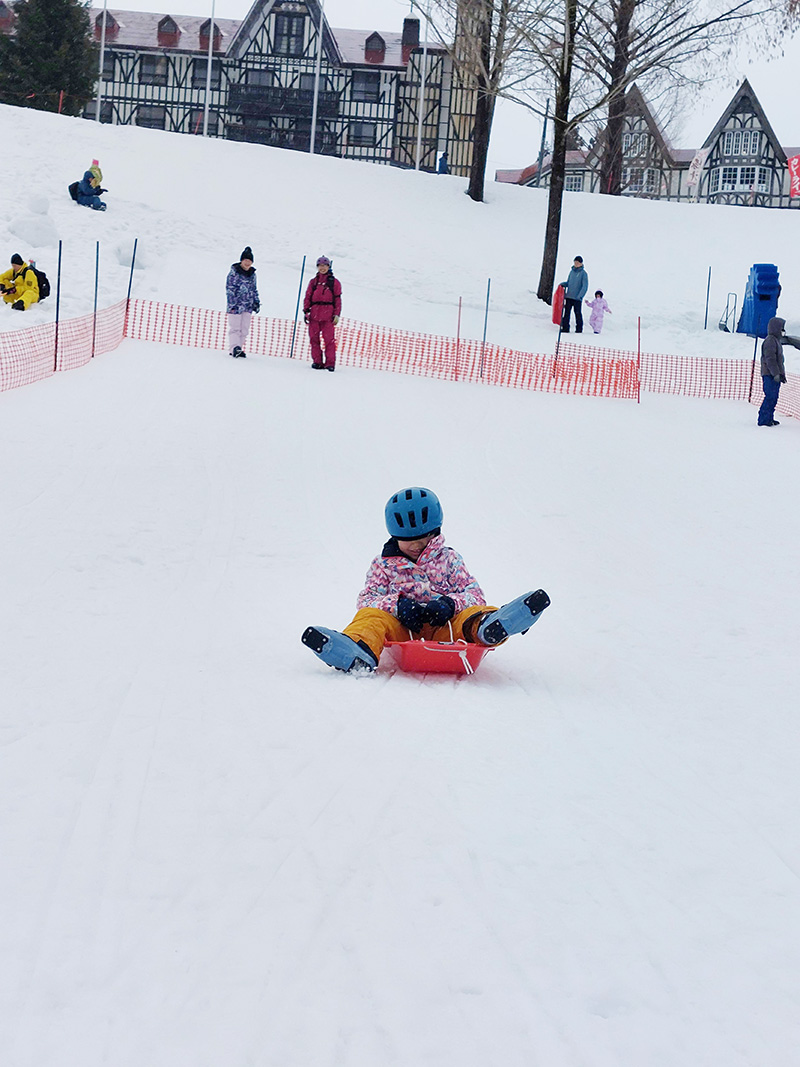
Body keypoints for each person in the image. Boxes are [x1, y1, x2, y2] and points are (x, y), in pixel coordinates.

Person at [301, 487, 550, 673]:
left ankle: (492, 626)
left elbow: (473, 593)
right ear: (394, 536)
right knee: (370, 618)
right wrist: (397, 606)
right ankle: (356, 651)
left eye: (424, 538)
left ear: (436, 532)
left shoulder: (449, 559)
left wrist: (449, 604)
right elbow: (367, 600)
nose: (416, 546)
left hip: (447, 626)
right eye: (407, 540)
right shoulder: (383, 564)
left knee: (473, 611)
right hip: (403, 629)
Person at [757, 316, 800, 426]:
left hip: (775, 375)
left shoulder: (776, 341)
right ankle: (763, 419)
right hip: (769, 374)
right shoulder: (770, 341)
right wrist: (775, 374)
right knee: (770, 396)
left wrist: (781, 374)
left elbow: (779, 361)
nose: (783, 331)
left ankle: (769, 418)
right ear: (776, 328)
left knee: (774, 397)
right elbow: (770, 359)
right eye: (781, 328)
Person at [303, 256, 341, 371]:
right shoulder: (313, 282)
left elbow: (338, 299)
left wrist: (336, 314)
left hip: (328, 315)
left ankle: (330, 363)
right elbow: (308, 296)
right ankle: (317, 361)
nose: (322, 268)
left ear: (328, 267)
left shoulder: (334, 282)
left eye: (324, 265)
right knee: (314, 339)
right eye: (320, 266)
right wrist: (306, 310)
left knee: (329, 340)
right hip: (314, 314)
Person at [226, 246, 260, 358]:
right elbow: (230, 288)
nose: (247, 263)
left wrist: (256, 302)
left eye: (249, 261)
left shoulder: (252, 275)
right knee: (235, 328)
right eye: (245, 260)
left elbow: (254, 289)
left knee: (244, 329)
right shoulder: (234, 272)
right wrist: (233, 303)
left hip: (248, 306)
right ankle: (234, 347)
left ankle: (239, 348)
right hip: (235, 306)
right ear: (241, 260)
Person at [560, 256, 589, 333]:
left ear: (581, 263)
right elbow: (569, 283)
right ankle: (565, 327)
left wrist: (580, 296)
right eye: (575, 262)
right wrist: (563, 284)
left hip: (577, 298)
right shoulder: (571, 272)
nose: (576, 264)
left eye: (577, 263)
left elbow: (584, 286)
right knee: (566, 313)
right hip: (569, 296)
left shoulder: (584, 274)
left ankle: (579, 329)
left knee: (577, 313)